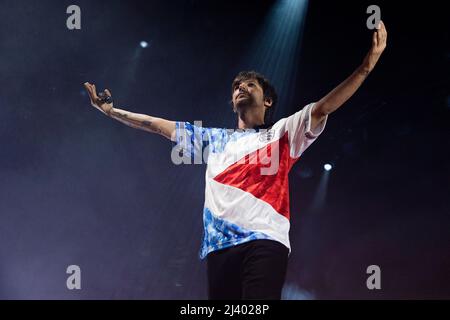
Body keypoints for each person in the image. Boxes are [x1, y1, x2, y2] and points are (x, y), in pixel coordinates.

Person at [84, 21, 387, 300]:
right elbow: (156, 125)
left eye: (250, 84)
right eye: (236, 86)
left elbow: (322, 109)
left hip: (265, 241)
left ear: (267, 100)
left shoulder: (283, 133)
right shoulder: (213, 139)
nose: (241, 87)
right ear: (232, 102)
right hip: (218, 247)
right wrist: (111, 112)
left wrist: (364, 68)